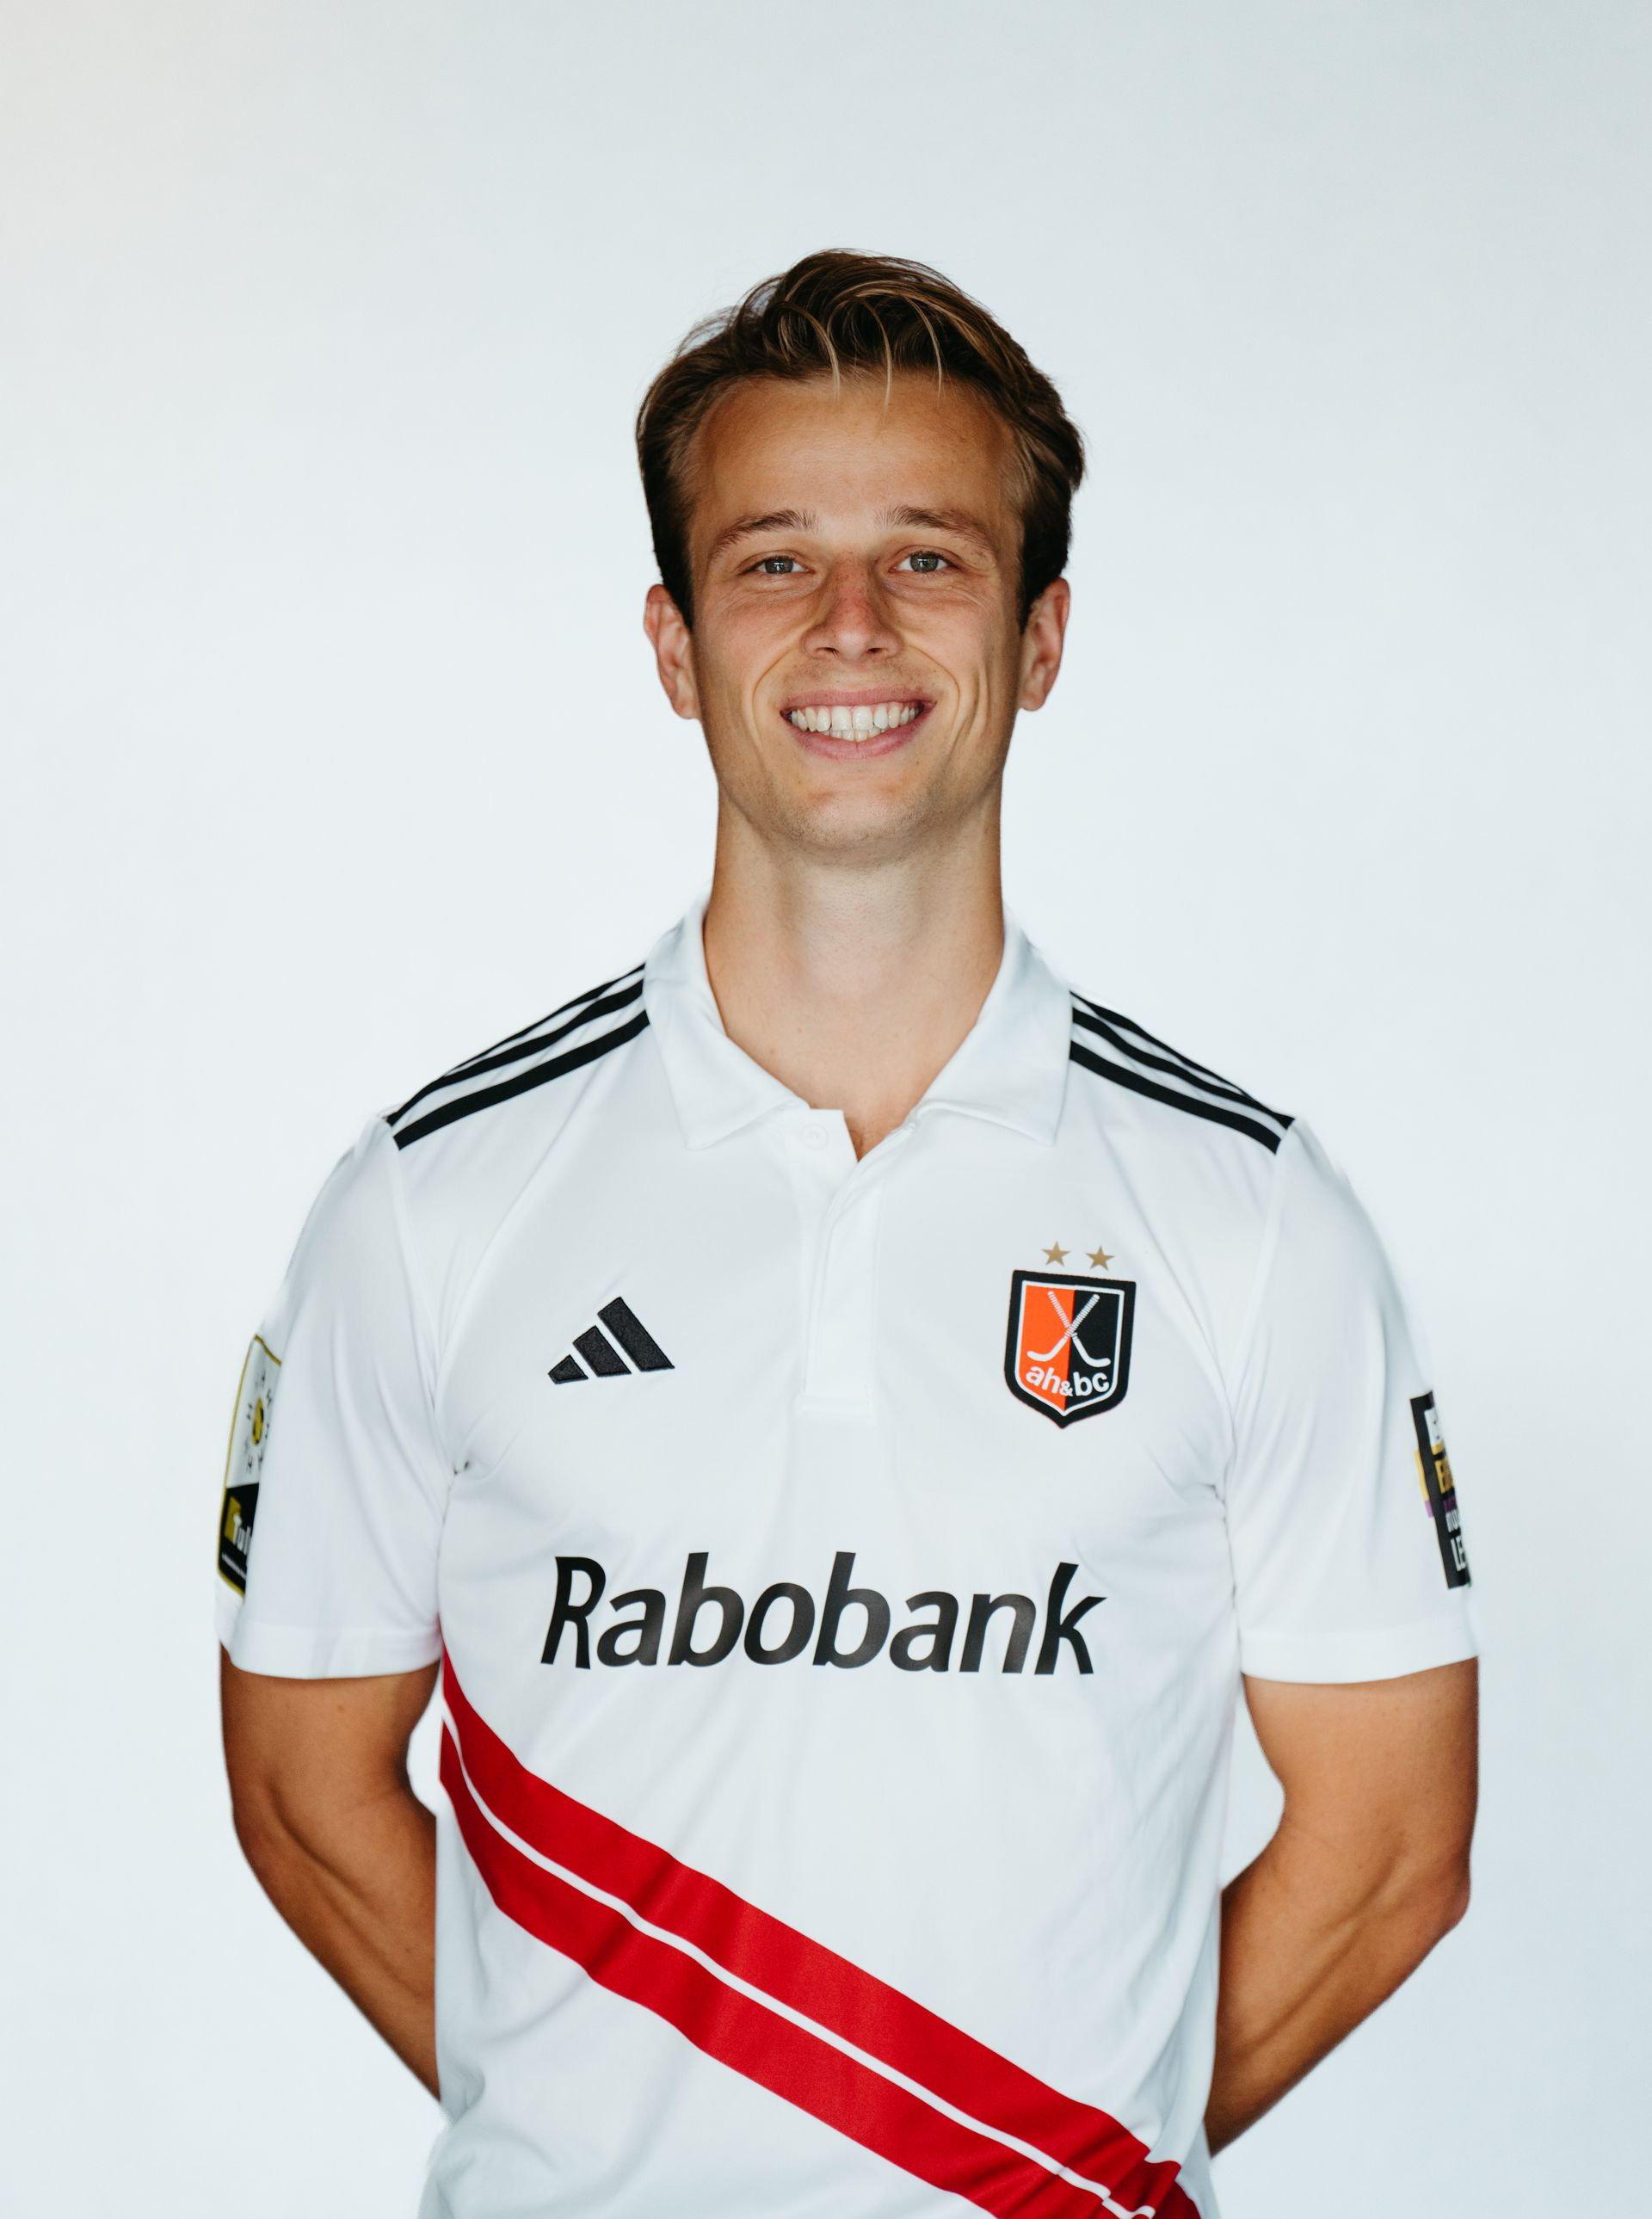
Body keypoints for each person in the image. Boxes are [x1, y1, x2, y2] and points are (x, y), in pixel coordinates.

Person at [217, 250, 1477, 2219]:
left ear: (1042, 636)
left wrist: (1048, 2161)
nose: (853, 625)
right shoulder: (431, 1199)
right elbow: (305, 1795)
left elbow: (1391, 1847)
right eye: (777, 560)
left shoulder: (1254, 1219)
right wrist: (585, 2127)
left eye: (930, 557)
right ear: (673, 640)